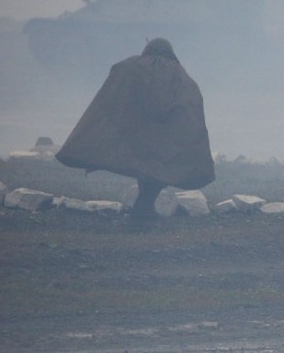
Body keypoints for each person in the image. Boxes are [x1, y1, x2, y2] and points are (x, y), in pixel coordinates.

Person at [56, 38, 215, 219]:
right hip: (164, 137)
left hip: (138, 134)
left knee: (147, 170)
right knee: (155, 172)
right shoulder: (182, 76)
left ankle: (143, 210)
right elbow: (190, 109)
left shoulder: (131, 66)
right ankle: (143, 209)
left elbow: (115, 91)